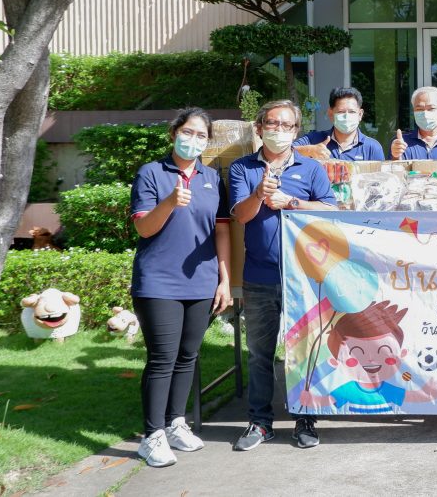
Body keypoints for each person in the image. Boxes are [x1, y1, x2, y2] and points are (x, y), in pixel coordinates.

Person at [228, 100, 337, 451]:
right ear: (260, 128)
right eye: (272, 124)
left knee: (305, 352)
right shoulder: (242, 167)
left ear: (296, 131)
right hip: (259, 277)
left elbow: (330, 209)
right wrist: (259, 194)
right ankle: (260, 422)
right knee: (260, 354)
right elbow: (240, 216)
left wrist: (291, 202)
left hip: (303, 278)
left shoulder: (311, 168)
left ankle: (305, 419)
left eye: (286, 125)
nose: (279, 130)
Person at [130, 108, 232, 468]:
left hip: (202, 282)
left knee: (188, 356)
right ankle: (152, 436)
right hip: (158, 282)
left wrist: (224, 279)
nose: (193, 140)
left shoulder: (211, 177)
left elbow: (222, 231)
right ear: (174, 133)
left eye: (201, 135)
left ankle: (175, 423)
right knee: (162, 358)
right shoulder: (151, 173)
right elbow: (144, 228)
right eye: (188, 132)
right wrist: (171, 202)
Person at [292, 87, 384, 161]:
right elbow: (286, 152)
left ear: (360, 114)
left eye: (352, 112)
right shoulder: (313, 139)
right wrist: (309, 150)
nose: (346, 116)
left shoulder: (372, 147)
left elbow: (381, 177)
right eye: (341, 112)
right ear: (331, 114)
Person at [389, 86, 437, 161]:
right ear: (413, 111)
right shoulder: (401, 143)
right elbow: (394, 167)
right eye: (419, 109)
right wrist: (396, 157)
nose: (425, 114)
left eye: (431, 108)